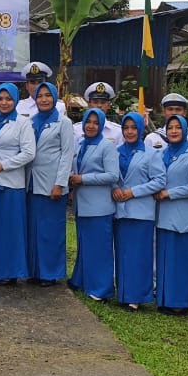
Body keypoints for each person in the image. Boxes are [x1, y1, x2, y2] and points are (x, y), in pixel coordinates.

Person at [153, 115, 188, 316]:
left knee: (181, 260)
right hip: (163, 215)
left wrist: (170, 193)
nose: (174, 131)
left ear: (185, 131)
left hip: (183, 216)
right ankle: (165, 299)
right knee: (165, 259)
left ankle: (180, 302)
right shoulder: (161, 154)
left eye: (178, 128)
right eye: (170, 128)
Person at [0, 83, 35, 285]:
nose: (4, 103)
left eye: (9, 99)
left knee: (11, 230)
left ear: (15, 100)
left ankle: (10, 272)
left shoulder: (22, 123)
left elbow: (29, 153)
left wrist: (2, 166)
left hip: (11, 184)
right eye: (0, 99)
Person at [112, 112, 166, 311]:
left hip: (141, 211)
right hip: (120, 211)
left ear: (140, 130)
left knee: (139, 255)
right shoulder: (115, 151)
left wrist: (133, 192)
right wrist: (114, 189)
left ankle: (136, 296)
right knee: (122, 253)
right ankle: (123, 292)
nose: (129, 132)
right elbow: (111, 177)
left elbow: (159, 181)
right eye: (125, 128)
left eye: (133, 128)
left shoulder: (151, 153)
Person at [67, 108, 121, 299]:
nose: (91, 126)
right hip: (82, 205)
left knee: (100, 248)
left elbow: (113, 175)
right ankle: (81, 279)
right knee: (85, 244)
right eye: (88, 122)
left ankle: (102, 289)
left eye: (95, 123)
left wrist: (83, 179)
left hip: (99, 206)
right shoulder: (82, 144)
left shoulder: (107, 146)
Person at [25, 82, 75, 286]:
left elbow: (67, 154)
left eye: (48, 95)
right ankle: (35, 271)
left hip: (52, 184)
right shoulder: (30, 121)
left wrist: (60, 183)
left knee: (51, 231)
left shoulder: (63, 123)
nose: (44, 99)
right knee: (34, 229)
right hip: (31, 183)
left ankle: (50, 273)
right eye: (40, 96)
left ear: (55, 98)